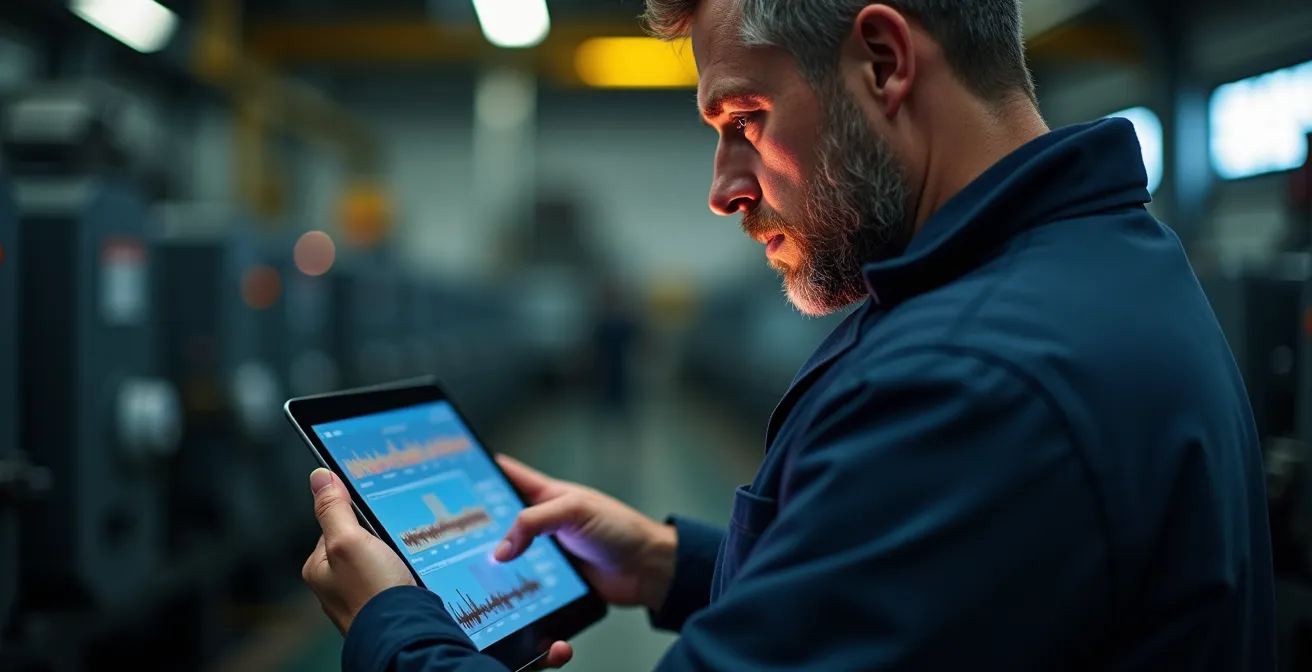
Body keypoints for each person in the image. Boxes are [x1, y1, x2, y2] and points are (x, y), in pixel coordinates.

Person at [300, 0, 1278, 669]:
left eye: (745, 115)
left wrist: (394, 631)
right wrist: (671, 563)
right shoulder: (1096, 263)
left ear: (884, 62)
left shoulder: (975, 379)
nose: (724, 185)